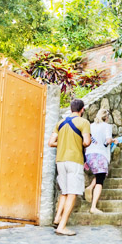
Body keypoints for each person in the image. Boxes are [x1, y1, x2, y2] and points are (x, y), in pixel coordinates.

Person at [47, 99, 91, 236]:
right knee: (72, 193)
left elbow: (51, 142)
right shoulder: (84, 122)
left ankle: (57, 217)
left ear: (71, 109)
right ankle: (62, 226)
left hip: (60, 160)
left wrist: (64, 142)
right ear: (82, 109)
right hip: (74, 160)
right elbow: (87, 142)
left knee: (64, 192)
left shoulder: (60, 123)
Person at [84, 109, 115, 214]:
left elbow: (89, 139)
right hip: (100, 155)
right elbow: (107, 140)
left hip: (89, 155)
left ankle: (90, 187)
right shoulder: (107, 126)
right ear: (106, 118)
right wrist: (112, 140)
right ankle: (93, 207)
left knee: (99, 174)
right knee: (100, 180)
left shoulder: (91, 126)